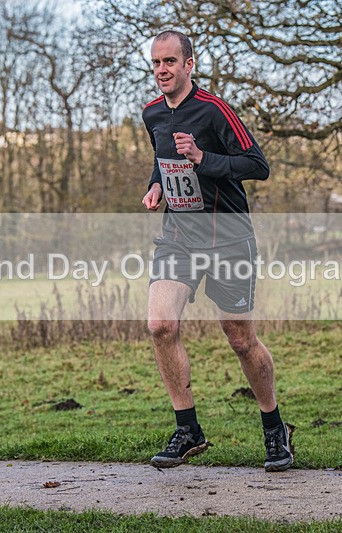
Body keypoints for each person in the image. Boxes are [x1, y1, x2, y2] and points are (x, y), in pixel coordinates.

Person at [141, 29, 294, 472]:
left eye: (170, 61)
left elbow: (257, 166)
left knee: (240, 338)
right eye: (156, 63)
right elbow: (161, 159)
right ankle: (188, 429)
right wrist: (155, 186)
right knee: (160, 324)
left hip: (227, 238)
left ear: (189, 64)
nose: (162, 70)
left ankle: (274, 430)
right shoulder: (152, 114)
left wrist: (204, 159)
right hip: (179, 237)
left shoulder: (214, 110)